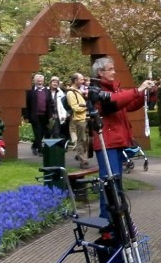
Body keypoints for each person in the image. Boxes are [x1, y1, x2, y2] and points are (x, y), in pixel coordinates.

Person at [89, 56, 155, 220]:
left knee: (115, 181)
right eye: (110, 69)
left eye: (113, 68)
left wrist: (143, 93)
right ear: (100, 72)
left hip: (116, 141)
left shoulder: (114, 89)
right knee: (109, 181)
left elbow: (129, 104)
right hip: (107, 143)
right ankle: (107, 220)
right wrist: (137, 90)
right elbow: (115, 103)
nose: (114, 72)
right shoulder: (96, 91)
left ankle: (116, 217)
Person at [66, 72, 90, 168]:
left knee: (86, 140)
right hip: (79, 119)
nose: (83, 81)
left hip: (85, 118)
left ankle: (80, 155)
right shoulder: (70, 93)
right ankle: (83, 161)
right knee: (81, 140)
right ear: (75, 80)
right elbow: (75, 108)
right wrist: (87, 107)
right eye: (81, 79)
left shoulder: (78, 91)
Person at [25, 74, 51, 155]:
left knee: (43, 132)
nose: (39, 82)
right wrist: (26, 116)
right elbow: (26, 105)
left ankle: (34, 146)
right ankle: (40, 150)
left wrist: (51, 115)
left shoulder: (47, 91)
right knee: (38, 133)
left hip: (45, 116)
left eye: (41, 81)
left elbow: (50, 104)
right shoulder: (30, 91)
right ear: (34, 81)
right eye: (38, 80)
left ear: (43, 81)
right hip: (34, 116)